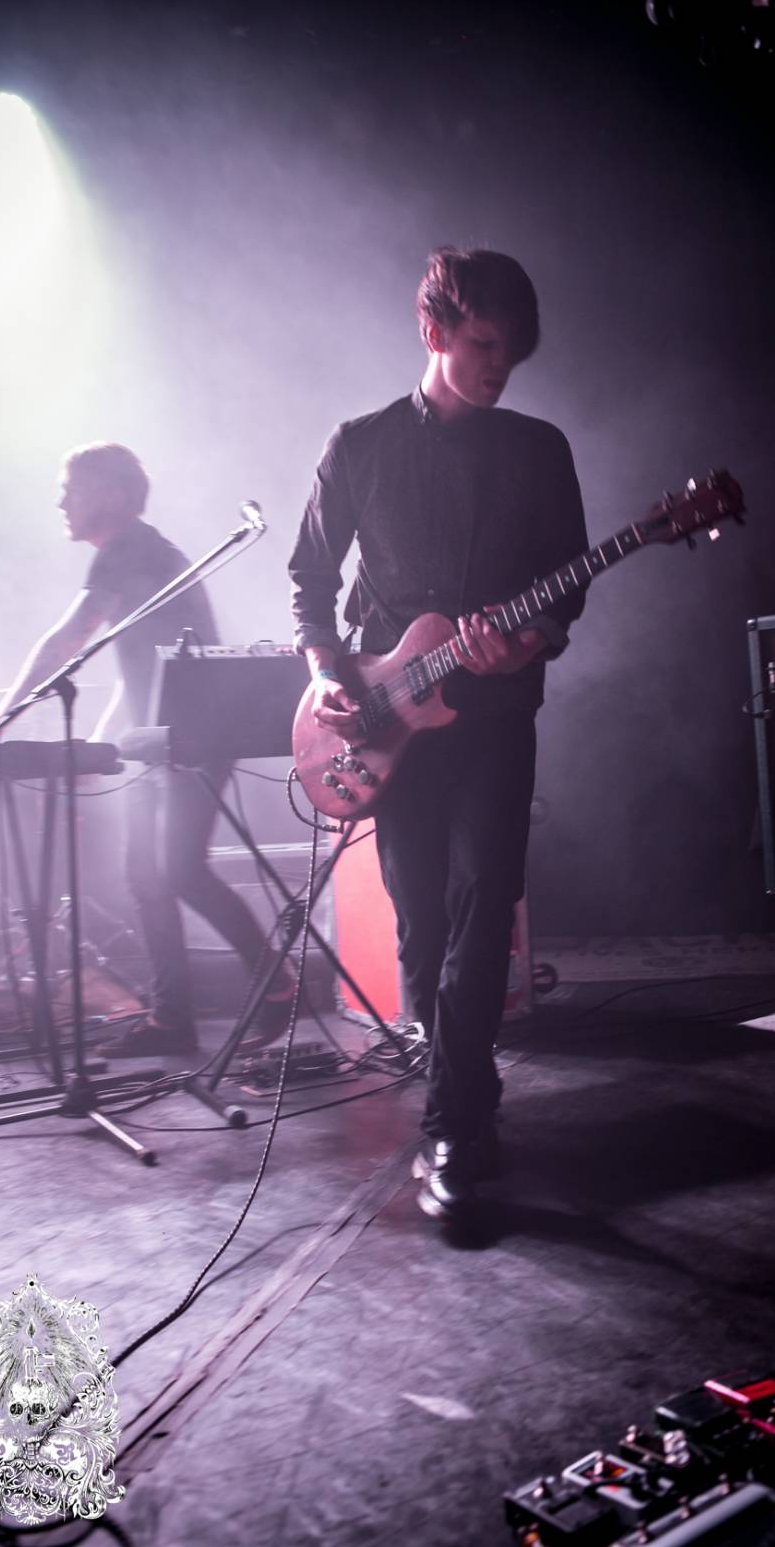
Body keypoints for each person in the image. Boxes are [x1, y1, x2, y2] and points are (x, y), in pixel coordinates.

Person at [289, 247, 589, 1218]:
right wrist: (326, 676)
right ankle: (467, 1084)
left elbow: (567, 589)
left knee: (483, 901)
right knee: (420, 921)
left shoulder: (538, 450)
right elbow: (309, 582)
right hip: (390, 721)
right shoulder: (358, 446)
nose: (499, 367)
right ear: (433, 329)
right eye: (483, 344)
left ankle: (455, 1125)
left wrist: (528, 640)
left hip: (496, 718)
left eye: (512, 353)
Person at [0, 442, 285, 1056]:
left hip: (192, 739)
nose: (60, 502)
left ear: (113, 495)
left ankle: (275, 986)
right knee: (148, 877)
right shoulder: (144, 551)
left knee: (178, 870)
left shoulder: (129, 551)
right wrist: (98, 743)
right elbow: (142, 665)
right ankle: (173, 1019)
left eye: (71, 488)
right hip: (164, 740)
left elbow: (68, 640)